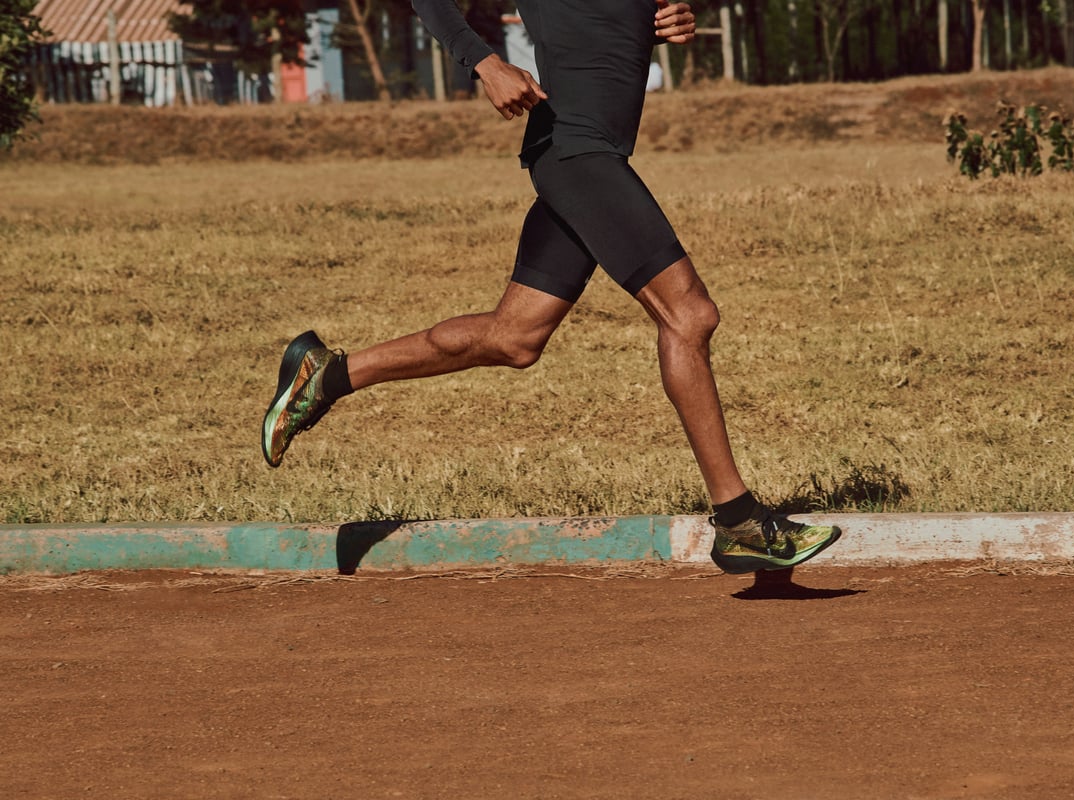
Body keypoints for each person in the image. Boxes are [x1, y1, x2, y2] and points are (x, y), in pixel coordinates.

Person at [261, 0, 840, 575]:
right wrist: (486, 63)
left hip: (587, 152)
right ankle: (738, 521)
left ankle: (328, 374)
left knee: (514, 338)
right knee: (690, 315)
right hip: (576, 150)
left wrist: (656, 25)